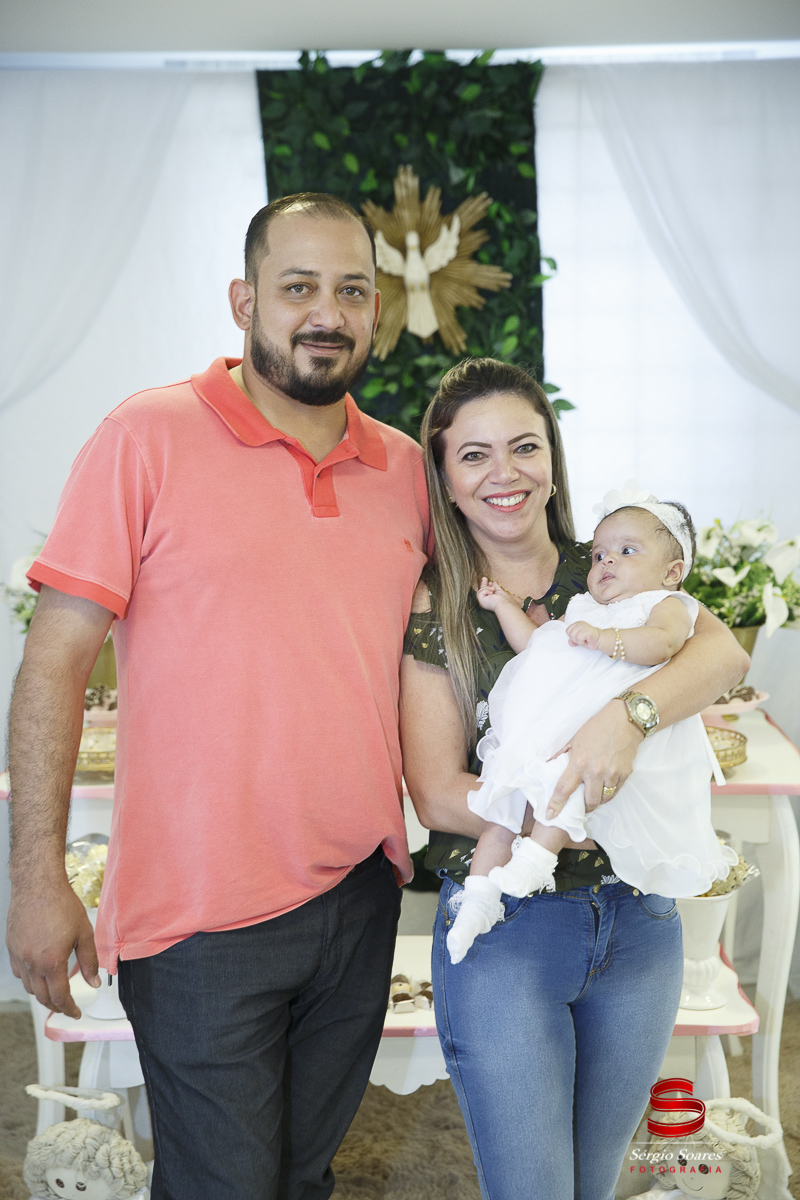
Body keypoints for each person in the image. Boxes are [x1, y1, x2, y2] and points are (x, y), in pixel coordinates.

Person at [6, 193, 430, 1200]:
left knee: (300, 1179)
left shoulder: (405, 469)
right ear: (244, 302)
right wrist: (35, 876)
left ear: (376, 312)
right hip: (198, 917)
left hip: (359, 896)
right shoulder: (145, 436)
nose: (325, 313)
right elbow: (54, 663)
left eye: (351, 291)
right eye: (298, 287)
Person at [399, 358, 749, 1200]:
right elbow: (437, 790)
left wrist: (624, 721)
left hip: (638, 922)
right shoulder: (439, 602)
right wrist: (564, 808)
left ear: (552, 458)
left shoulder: (614, 568)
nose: (506, 472)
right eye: (474, 455)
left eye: (524, 446)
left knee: (593, 1185)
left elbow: (722, 656)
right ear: (444, 479)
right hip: (511, 935)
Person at [447, 490, 737, 963]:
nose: (607, 561)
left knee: (564, 782)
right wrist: (502, 607)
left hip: (601, 733)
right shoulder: (584, 606)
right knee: (502, 807)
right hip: (549, 725)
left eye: (627, 550)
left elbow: (663, 645)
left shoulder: (665, 603)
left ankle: (537, 859)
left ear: (671, 572)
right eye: (600, 554)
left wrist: (605, 639)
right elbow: (540, 647)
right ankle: (477, 901)